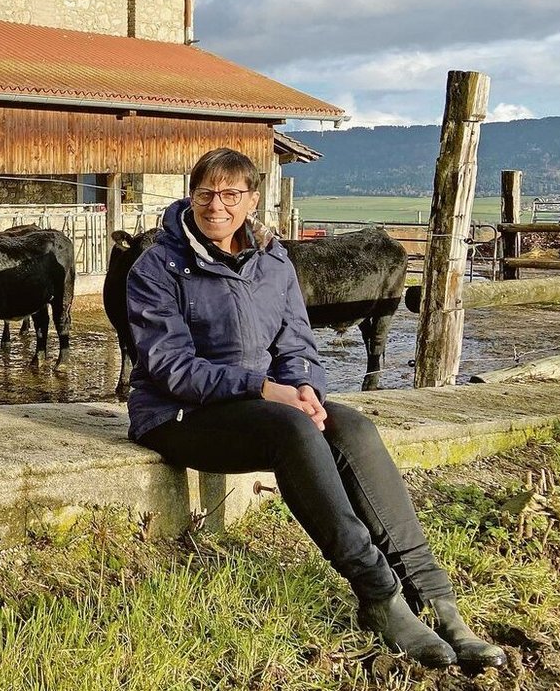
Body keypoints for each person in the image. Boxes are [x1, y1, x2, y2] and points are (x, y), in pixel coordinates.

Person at [125, 147, 504, 670]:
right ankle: (378, 593)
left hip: (261, 405)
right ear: (191, 197)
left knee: (352, 427)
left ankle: (437, 601)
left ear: (252, 199)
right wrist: (264, 390)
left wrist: (305, 389)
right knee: (289, 429)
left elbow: (298, 346)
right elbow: (170, 368)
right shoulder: (157, 267)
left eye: (231, 193)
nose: (217, 205)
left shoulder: (273, 260)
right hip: (176, 415)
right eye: (206, 193)